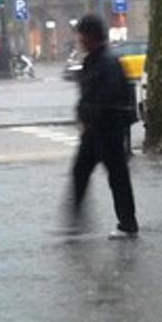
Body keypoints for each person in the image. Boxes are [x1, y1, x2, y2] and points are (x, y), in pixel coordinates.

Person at [66, 15, 139, 239]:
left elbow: (106, 97)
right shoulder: (98, 59)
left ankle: (127, 224)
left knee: (116, 176)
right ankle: (78, 221)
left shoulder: (106, 62)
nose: (79, 39)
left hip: (106, 129)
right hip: (97, 129)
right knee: (85, 172)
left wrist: (87, 115)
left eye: (82, 34)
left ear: (91, 36)